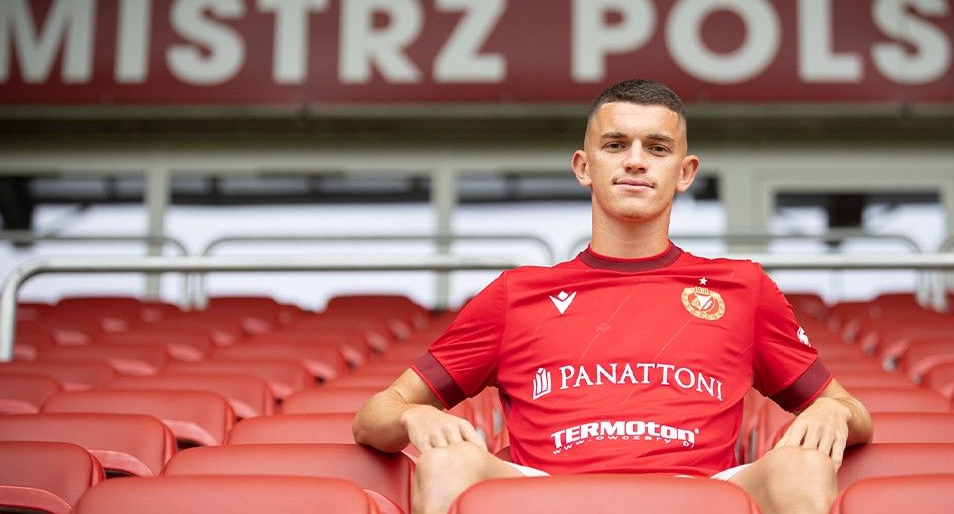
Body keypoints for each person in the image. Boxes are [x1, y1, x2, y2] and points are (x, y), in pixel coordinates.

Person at [354, 79, 873, 514]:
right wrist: (414, 416)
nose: (636, 161)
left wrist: (836, 413)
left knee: (803, 464)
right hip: (547, 497)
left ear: (685, 172)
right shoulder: (515, 294)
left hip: (700, 497)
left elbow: (854, 412)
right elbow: (374, 415)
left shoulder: (743, 288)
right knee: (447, 462)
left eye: (657, 147)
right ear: (584, 166)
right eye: (616, 144)